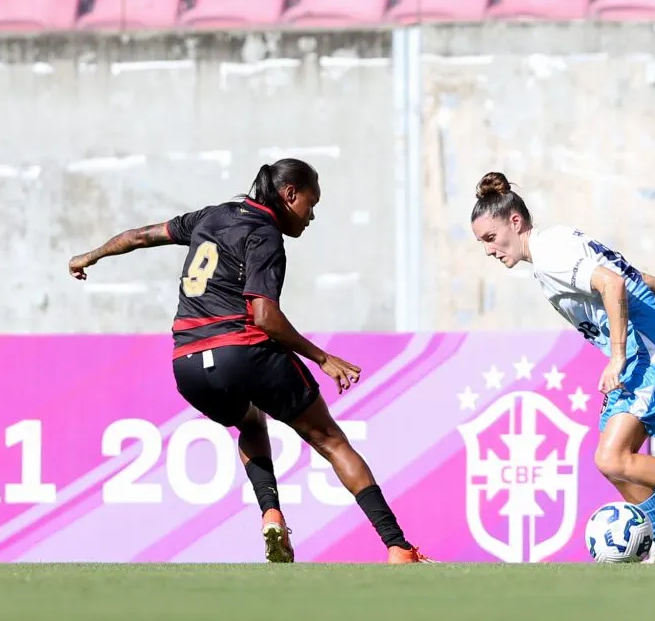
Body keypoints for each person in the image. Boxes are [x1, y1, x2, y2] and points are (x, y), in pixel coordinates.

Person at [68, 158, 429, 565]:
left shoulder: (210, 217)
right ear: (290, 194)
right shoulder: (266, 235)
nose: (311, 216)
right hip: (243, 351)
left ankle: (271, 514)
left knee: (251, 421)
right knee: (330, 441)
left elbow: (138, 236)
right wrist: (323, 358)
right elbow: (264, 317)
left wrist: (90, 255)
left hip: (187, 363)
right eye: (312, 204)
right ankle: (398, 547)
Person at [468, 171, 655, 564]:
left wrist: (617, 357)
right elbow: (637, 279)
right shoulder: (556, 246)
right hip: (644, 355)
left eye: (490, 238)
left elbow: (614, 285)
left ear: (514, 222)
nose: (488, 250)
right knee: (614, 463)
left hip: (652, 355)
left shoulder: (550, 253)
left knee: (612, 457)